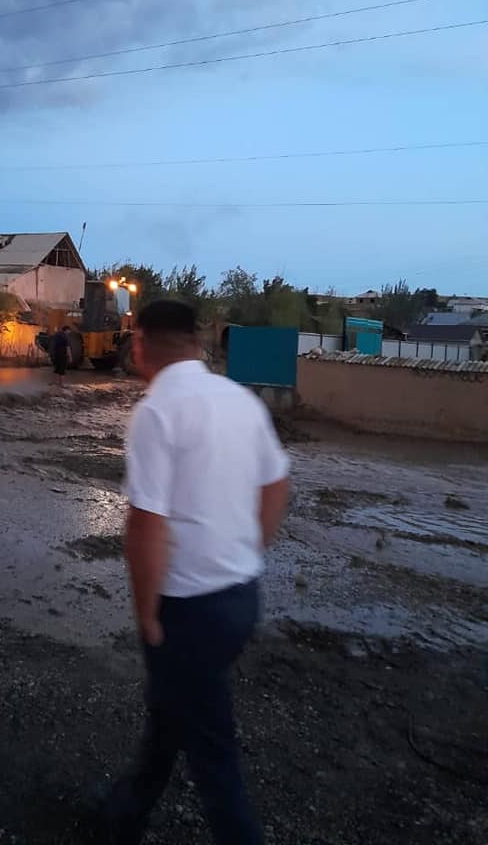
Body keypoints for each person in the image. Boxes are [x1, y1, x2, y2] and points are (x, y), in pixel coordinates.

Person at [105, 299, 289, 845]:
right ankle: (124, 813)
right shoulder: (239, 399)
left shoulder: (158, 411)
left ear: (141, 343)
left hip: (190, 611)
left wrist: (147, 615)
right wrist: (247, 550)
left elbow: (146, 524)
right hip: (241, 598)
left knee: (213, 751)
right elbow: (276, 484)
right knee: (171, 712)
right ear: (197, 341)